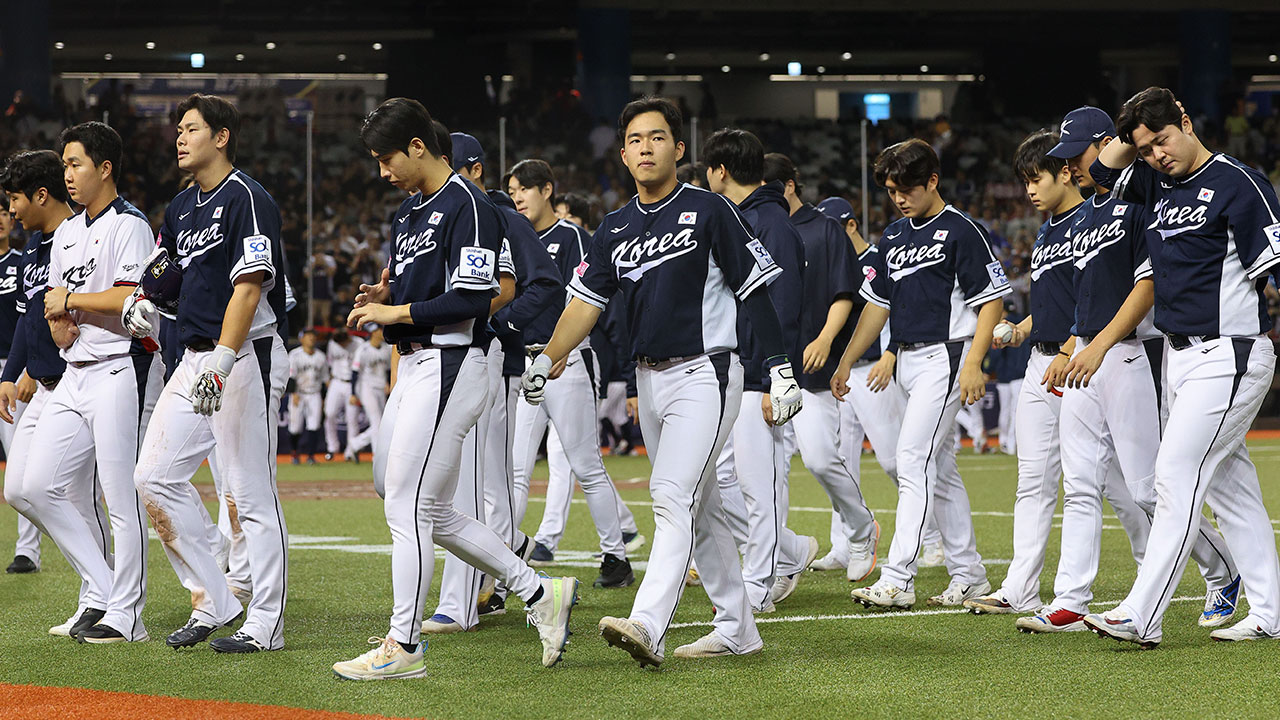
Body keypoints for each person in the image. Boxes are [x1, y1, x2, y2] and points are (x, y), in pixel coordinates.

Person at [523, 97, 802, 665]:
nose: (645, 147)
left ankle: (647, 622)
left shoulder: (711, 210)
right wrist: (548, 356)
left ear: (679, 149)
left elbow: (755, 292)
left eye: (657, 138)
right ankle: (737, 629)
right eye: (635, 140)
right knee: (700, 508)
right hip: (651, 380)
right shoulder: (614, 227)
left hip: (708, 370)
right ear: (623, 154)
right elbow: (585, 304)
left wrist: (779, 368)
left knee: (672, 495)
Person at [331, 98, 577, 679]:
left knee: (408, 504)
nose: (382, 171)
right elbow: (420, 293)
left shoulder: (469, 203)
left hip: (454, 359)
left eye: (386, 158)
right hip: (417, 363)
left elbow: (470, 299)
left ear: (418, 146)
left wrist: (392, 315)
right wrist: (382, 299)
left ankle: (404, 645)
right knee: (421, 504)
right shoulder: (408, 212)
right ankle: (539, 592)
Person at [1015, 105, 1234, 634]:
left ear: (1108, 145)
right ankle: (1071, 599)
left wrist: (1098, 345)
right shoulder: (1086, 214)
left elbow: (1148, 283)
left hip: (1131, 353)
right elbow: (1084, 297)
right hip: (1085, 355)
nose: (1074, 167)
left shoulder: (1139, 203)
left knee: (1146, 489)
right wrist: (1072, 347)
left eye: (1080, 154)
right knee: (1080, 485)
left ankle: (1222, 569)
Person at [1084, 87, 1277, 645]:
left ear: (1187, 122)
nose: (1156, 155)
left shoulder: (1238, 183)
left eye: (1162, 139)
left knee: (1174, 476)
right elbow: (1099, 172)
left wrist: (1142, 128)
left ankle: (1142, 615)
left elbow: (1275, 263)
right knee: (1231, 488)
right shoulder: (1153, 181)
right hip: (1178, 356)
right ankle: (1270, 611)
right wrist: (1131, 137)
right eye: (1144, 148)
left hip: (1230, 350)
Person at [127, 93, 291, 653]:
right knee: (152, 477)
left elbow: (249, 285)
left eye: (190, 128)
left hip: (243, 354)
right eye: (178, 129)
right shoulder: (180, 207)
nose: (179, 137)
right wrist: (143, 300)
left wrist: (224, 358)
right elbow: (164, 273)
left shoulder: (248, 197)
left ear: (221, 137)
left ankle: (265, 622)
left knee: (248, 494)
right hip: (194, 356)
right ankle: (215, 598)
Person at [963, 128, 1143, 618]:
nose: (1029, 190)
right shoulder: (1046, 228)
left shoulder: (1093, 219)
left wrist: (1068, 348)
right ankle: (1020, 587)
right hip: (1043, 360)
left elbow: (1097, 302)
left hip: (1082, 359)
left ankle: (1164, 571)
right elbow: (1057, 300)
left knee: (1127, 487)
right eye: (1024, 181)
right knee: (1037, 480)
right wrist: (1022, 329)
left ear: (1066, 172)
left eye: (1035, 178)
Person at [834, 138, 1005, 609]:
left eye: (907, 187)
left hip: (947, 356)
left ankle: (899, 577)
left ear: (933, 180)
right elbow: (876, 306)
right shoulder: (892, 236)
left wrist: (974, 361)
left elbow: (991, 301)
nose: (899, 197)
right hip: (908, 360)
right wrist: (848, 359)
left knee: (911, 459)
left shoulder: (960, 230)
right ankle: (969, 574)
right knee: (940, 470)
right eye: (891, 190)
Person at [19, 122, 163, 644]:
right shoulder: (69, 233)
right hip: (73, 373)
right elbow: (57, 311)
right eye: (64, 166)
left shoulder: (131, 224)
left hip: (118, 370)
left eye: (76, 164)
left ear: (105, 168)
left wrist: (70, 304)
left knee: (119, 497)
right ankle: (101, 590)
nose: (68, 175)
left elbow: (129, 299)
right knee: (33, 486)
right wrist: (63, 315)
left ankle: (127, 616)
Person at [702, 129, 817, 612]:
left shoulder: (768, 221)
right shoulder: (747, 217)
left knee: (757, 483)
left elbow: (783, 305)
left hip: (759, 374)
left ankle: (761, 582)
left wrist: (777, 374)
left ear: (720, 171)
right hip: (737, 370)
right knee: (724, 482)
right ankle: (789, 550)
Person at [506, 157, 634, 588]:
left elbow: (589, 298)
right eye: (512, 190)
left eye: (524, 187)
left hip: (568, 360)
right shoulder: (514, 237)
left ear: (547, 190)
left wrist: (568, 346)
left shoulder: (572, 236)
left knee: (585, 464)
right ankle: (506, 558)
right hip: (524, 361)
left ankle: (615, 557)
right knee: (515, 468)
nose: (517, 196)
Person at [0, 149, 110, 633]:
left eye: (15, 200)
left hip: (82, 377)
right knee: (21, 490)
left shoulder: (77, 238)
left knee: (77, 494)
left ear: (39, 195)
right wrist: (13, 371)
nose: (12, 211)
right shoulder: (32, 247)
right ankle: (103, 585)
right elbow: (29, 316)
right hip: (44, 386)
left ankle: (103, 597)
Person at [762, 153, 882, 582]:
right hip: (766, 371)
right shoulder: (756, 227)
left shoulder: (825, 228)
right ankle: (775, 565)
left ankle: (862, 527)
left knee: (819, 459)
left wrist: (827, 339)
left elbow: (843, 292)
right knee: (765, 475)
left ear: (789, 186)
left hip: (812, 369)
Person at [0, 199, 38, 574]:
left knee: (19, 462)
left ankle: (27, 550)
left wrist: (19, 369)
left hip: (12, 370)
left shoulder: (20, 262)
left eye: (3, 211)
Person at [348, 326, 391, 457]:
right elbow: (354, 372)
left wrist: (388, 382)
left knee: (381, 423)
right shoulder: (363, 349)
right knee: (376, 421)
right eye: (379, 330)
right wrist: (353, 394)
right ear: (373, 332)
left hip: (380, 387)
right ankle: (377, 456)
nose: (382, 332)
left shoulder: (386, 348)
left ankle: (355, 444)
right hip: (366, 387)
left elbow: (388, 369)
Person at [288, 328, 326, 464]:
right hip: (299, 393)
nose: (311, 338)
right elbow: (291, 377)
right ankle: (294, 454)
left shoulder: (321, 356)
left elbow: (324, 379)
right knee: (295, 426)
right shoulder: (294, 355)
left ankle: (310, 456)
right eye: (308, 336)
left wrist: (323, 397)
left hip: (314, 393)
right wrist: (294, 394)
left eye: (313, 336)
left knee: (314, 424)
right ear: (301, 339)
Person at [323, 328, 361, 461]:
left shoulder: (359, 344)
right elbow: (329, 362)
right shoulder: (332, 344)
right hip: (337, 381)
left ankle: (351, 451)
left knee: (352, 418)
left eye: (343, 342)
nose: (342, 345)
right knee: (329, 413)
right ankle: (332, 447)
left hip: (353, 383)